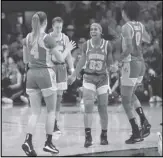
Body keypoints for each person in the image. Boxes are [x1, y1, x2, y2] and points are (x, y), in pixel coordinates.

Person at [21, 12, 75, 156]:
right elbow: (61, 58)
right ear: (45, 23)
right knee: (51, 111)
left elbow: (26, 60)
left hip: (31, 75)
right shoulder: (48, 38)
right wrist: (68, 49)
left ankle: (28, 140)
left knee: (35, 112)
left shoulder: (27, 38)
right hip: (45, 74)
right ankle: (48, 143)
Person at [68, 23, 117, 148]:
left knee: (103, 108)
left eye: (96, 29)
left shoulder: (107, 45)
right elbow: (82, 61)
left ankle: (104, 135)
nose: (93, 31)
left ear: (101, 32)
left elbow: (110, 63)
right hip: (89, 78)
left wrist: (113, 67)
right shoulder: (86, 45)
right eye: (91, 29)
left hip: (102, 79)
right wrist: (74, 75)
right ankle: (88, 136)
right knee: (88, 106)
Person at [116, 1, 151, 144]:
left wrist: (119, 59)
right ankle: (144, 121)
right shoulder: (140, 26)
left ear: (126, 12)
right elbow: (148, 40)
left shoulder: (126, 27)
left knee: (125, 100)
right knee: (130, 95)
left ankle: (136, 132)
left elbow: (129, 49)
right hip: (141, 64)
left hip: (131, 64)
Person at [49, 17, 75, 134]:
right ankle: (51, 121)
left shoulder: (65, 38)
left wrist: (72, 69)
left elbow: (68, 56)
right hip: (51, 68)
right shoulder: (48, 38)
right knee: (52, 97)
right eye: (56, 27)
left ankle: (55, 122)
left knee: (59, 98)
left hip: (62, 68)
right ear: (52, 26)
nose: (59, 29)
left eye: (60, 27)